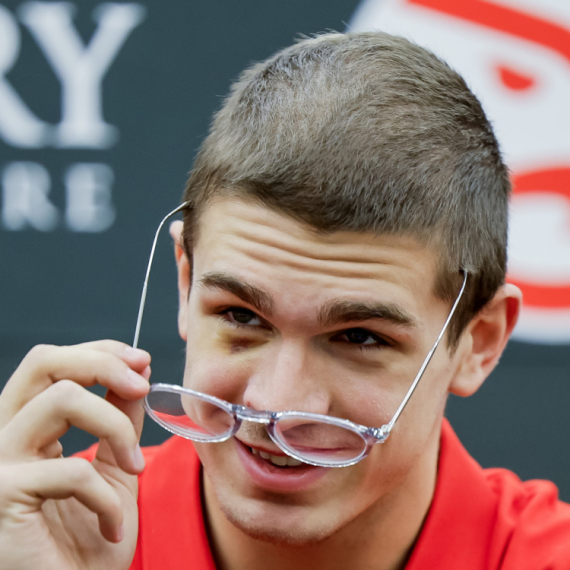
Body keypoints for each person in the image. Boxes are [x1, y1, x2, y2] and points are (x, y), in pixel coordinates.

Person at [1, 31, 569, 570]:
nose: (277, 405)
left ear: (479, 341)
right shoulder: (39, 529)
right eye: (241, 316)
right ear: (185, 283)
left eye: (359, 337)